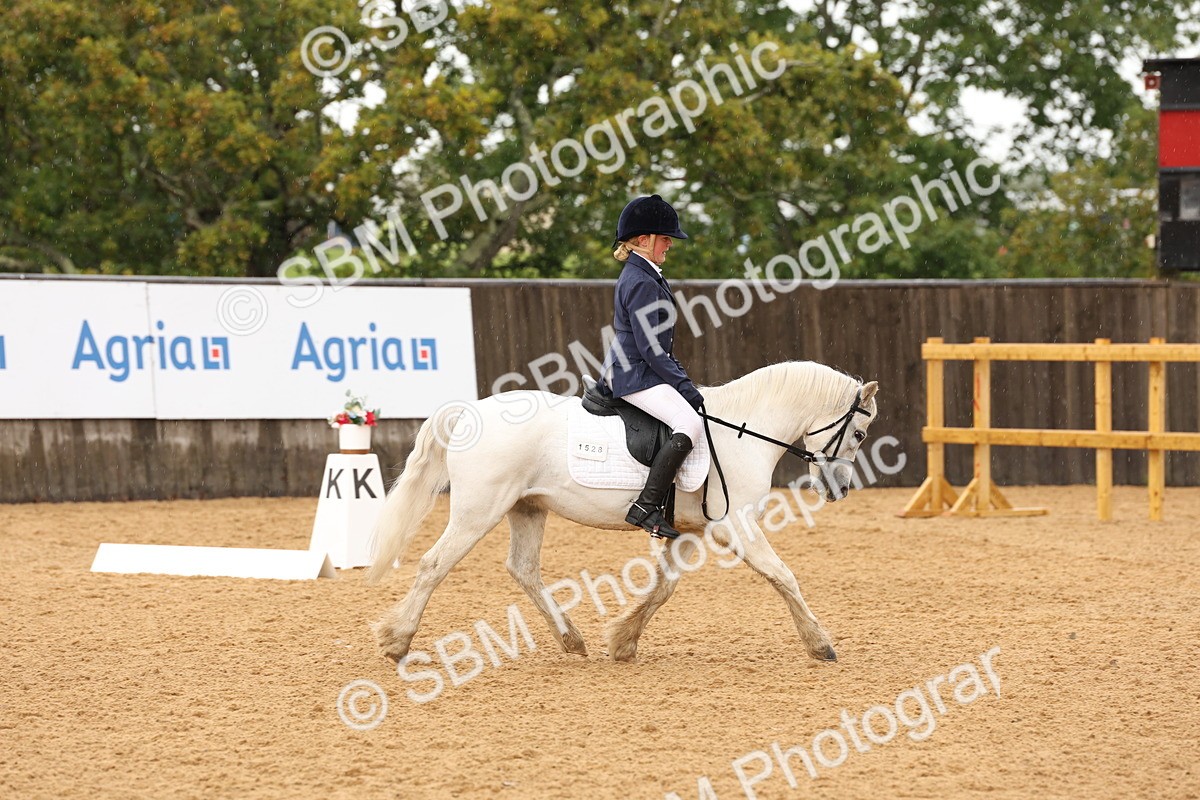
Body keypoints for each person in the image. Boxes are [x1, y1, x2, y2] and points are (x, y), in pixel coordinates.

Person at [596, 194, 704, 540]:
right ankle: (647, 505)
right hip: (635, 374)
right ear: (644, 241)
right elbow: (651, 348)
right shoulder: (641, 281)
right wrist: (684, 386)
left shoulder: (645, 273)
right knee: (689, 421)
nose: (670, 244)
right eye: (665, 238)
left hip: (640, 369)